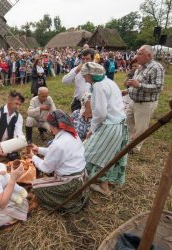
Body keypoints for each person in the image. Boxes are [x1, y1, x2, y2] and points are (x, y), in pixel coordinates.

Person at [80, 62, 128, 196]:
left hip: (110, 126)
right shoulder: (109, 82)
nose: (84, 79)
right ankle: (103, 183)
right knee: (107, 155)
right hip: (119, 124)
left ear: (90, 75)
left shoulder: (99, 86)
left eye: (85, 76)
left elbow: (100, 113)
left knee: (88, 153)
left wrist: (92, 128)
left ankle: (102, 187)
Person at [29, 109, 89, 213]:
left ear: (54, 126)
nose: (49, 127)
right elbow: (57, 154)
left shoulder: (59, 143)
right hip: (82, 178)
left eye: (49, 125)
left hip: (70, 184)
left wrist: (33, 157)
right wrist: (39, 149)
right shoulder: (72, 135)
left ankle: (68, 202)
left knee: (36, 186)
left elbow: (46, 168)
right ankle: (73, 197)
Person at [125, 45, 165, 154]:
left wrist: (139, 85)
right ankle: (127, 144)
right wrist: (129, 89)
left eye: (139, 54)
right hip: (134, 101)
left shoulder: (157, 67)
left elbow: (159, 87)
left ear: (149, 55)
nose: (136, 56)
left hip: (145, 103)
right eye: (137, 53)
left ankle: (135, 148)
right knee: (127, 122)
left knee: (140, 127)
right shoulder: (140, 66)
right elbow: (137, 83)